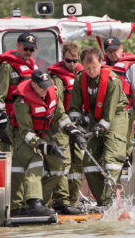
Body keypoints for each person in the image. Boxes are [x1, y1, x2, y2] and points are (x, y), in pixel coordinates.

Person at [7, 69, 86, 216]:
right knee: (36, 160)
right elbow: (25, 132)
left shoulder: (52, 92)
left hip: (40, 133)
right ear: (33, 84)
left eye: (47, 85)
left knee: (59, 164)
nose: (45, 89)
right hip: (20, 134)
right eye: (42, 87)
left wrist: (72, 130)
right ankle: (34, 204)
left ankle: (40, 203)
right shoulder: (22, 101)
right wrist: (45, 146)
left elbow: (60, 115)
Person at [68, 47, 129, 206]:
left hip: (115, 116)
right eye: (87, 68)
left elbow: (108, 116)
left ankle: (110, 198)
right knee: (88, 162)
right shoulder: (80, 79)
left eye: (94, 67)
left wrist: (98, 129)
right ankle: (103, 202)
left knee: (111, 159)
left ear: (101, 62)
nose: (91, 71)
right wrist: (75, 128)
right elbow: (74, 108)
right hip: (95, 118)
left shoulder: (112, 81)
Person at [0, 32, 38, 215]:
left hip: (26, 124)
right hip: (10, 124)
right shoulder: (6, 67)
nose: (28, 52)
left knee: (27, 163)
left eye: (31, 49)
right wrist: (2, 125)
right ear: (18, 46)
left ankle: (27, 203)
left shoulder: (31, 66)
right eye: (25, 48)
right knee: (14, 166)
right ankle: (15, 206)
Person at [47, 42, 84, 208]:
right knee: (64, 162)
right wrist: (67, 124)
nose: (72, 64)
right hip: (61, 126)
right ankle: (61, 202)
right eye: (69, 61)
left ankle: (73, 201)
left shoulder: (82, 74)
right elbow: (58, 105)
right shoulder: (57, 78)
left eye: (75, 61)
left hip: (78, 125)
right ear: (63, 59)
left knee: (78, 162)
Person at [102, 37, 135, 159]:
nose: (113, 53)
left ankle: (126, 175)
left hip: (124, 115)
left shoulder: (131, 67)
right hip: (103, 115)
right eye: (110, 51)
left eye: (115, 50)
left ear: (121, 49)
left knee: (125, 149)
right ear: (106, 53)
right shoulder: (100, 67)